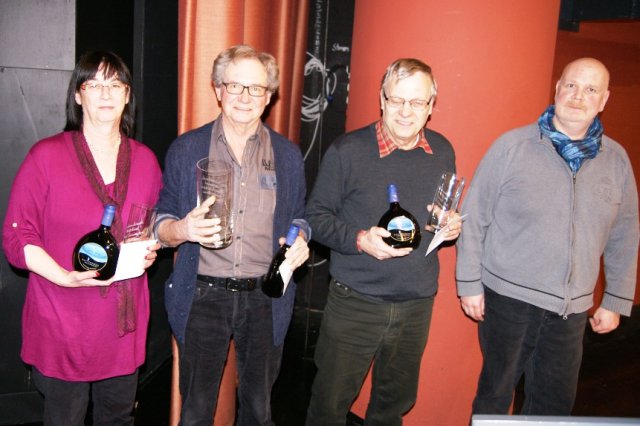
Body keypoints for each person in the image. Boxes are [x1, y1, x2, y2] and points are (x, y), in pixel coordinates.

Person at [456, 57, 639, 416]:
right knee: (495, 396)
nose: (578, 96)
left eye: (591, 89)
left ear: (604, 100)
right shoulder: (512, 147)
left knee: (554, 405)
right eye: (571, 85)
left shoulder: (616, 160)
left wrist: (616, 299)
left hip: (572, 310)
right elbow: (475, 216)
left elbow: (625, 233)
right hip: (509, 300)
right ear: (557, 89)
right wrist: (469, 283)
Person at [2, 51, 163, 424]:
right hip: (63, 317)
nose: (105, 94)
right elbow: (16, 236)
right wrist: (63, 276)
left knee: (118, 419)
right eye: (94, 84)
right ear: (78, 95)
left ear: (127, 95)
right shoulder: (46, 156)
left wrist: (149, 248)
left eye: (115, 85)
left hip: (122, 326)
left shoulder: (145, 161)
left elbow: (150, 226)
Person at [155, 44, 310, 426]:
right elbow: (161, 220)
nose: (244, 97)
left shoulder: (288, 155)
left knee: (258, 410)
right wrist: (182, 229)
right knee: (196, 412)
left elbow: (300, 217)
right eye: (235, 86)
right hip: (202, 296)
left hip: (266, 297)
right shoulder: (187, 149)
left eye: (256, 88)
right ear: (218, 89)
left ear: (269, 96)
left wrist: (301, 240)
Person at [305, 58, 462, 426]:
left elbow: (439, 215)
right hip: (355, 303)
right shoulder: (347, 151)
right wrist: (360, 239)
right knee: (328, 407)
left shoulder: (442, 151)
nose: (406, 111)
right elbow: (315, 218)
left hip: (416, 304)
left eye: (417, 102)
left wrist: (448, 225)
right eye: (397, 100)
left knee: (392, 408)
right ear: (381, 99)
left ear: (431, 106)